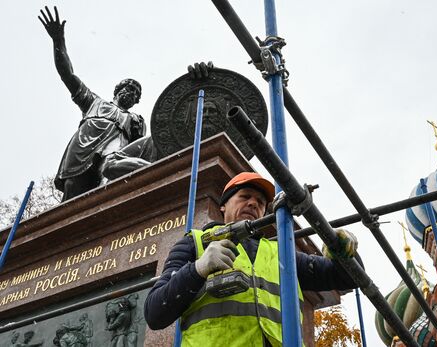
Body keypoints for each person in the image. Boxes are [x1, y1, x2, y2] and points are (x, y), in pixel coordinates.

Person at [144, 172, 361, 346]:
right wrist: (197, 269)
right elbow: (155, 313)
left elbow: (348, 277)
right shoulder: (194, 243)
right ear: (223, 205)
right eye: (244, 196)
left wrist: (340, 248)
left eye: (260, 201)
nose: (253, 203)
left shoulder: (281, 252)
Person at [38, 6, 146, 201]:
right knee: (73, 192)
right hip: (84, 150)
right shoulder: (94, 102)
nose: (131, 93)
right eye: (129, 89)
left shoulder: (136, 120)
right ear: (118, 90)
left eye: (136, 94)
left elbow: (141, 148)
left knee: (112, 182)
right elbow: (67, 74)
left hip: (114, 153)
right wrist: (58, 40)